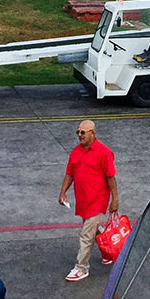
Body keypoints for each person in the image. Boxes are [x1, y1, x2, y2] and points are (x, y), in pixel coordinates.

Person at [58, 119, 119, 281]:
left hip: (97, 201)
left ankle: (82, 268)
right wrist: (63, 192)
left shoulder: (104, 152)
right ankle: (108, 252)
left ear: (92, 133)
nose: (79, 135)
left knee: (86, 234)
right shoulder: (75, 152)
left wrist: (115, 199)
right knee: (94, 229)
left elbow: (111, 177)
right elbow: (70, 174)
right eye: (78, 132)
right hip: (84, 201)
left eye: (83, 132)